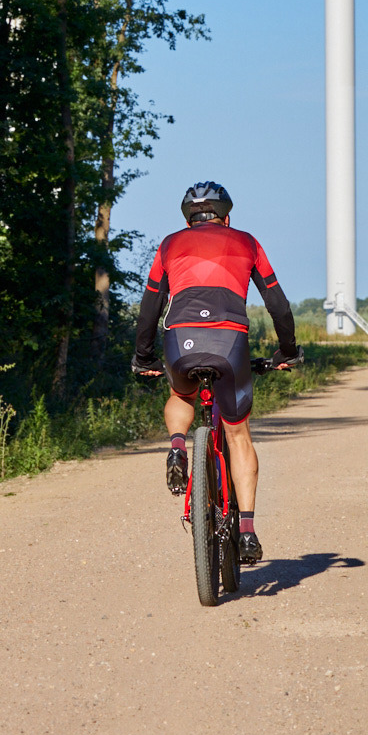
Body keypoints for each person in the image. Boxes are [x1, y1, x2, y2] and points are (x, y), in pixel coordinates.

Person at [131, 181, 297, 564]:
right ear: (227, 215)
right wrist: (287, 351)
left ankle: (176, 447)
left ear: (188, 218)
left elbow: (150, 307)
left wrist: (144, 357)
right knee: (237, 434)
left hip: (180, 338)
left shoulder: (170, 244)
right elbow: (278, 304)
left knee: (181, 395)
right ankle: (248, 531)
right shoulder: (247, 242)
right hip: (230, 340)